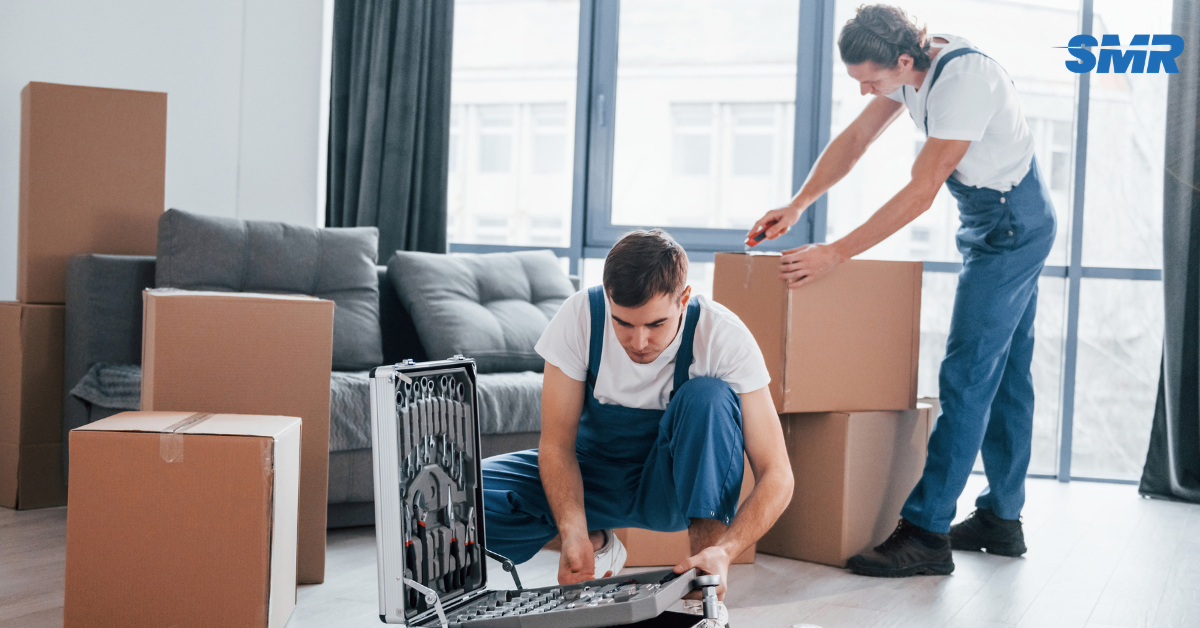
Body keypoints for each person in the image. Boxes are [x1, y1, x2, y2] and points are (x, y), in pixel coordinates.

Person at [746, 4, 1056, 578]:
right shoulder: (908, 65)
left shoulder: (962, 81)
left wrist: (835, 253)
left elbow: (920, 194)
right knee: (1006, 372)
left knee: (966, 376)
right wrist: (799, 204)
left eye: (871, 80)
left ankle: (927, 531)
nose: (866, 92)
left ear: (904, 60)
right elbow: (856, 139)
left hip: (1011, 225)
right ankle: (1001, 520)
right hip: (996, 218)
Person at [481, 229, 794, 623]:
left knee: (709, 397)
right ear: (608, 295)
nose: (639, 341)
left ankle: (703, 589)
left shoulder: (723, 337)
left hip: (668, 490)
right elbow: (557, 445)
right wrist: (574, 531)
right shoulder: (580, 315)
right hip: (592, 473)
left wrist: (725, 552)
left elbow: (778, 473)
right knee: (465, 503)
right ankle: (598, 539)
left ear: (684, 298)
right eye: (623, 323)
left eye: (655, 324)